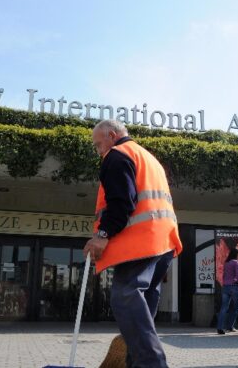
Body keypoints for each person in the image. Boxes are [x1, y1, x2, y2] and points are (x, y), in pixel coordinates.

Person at [83, 119, 183, 368]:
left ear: (112, 135)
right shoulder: (149, 158)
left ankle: (152, 364)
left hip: (140, 242)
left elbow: (121, 203)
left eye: (98, 145)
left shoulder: (117, 155)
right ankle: (134, 363)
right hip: (163, 241)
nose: (99, 151)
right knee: (144, 302)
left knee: (125, 296)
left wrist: (101, 236)